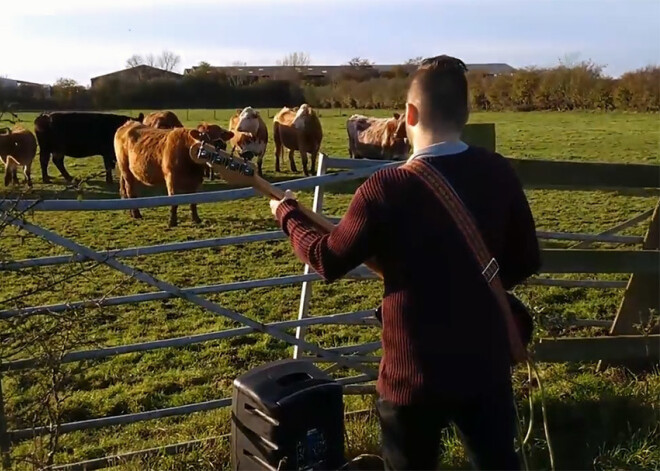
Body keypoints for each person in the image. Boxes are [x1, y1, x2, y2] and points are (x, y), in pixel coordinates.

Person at [269, 55, 541, 470]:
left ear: (409, 113)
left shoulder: (385, 187)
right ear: (466, 113)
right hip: (484, 365)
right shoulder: (498, 172)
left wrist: (287, 214)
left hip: (411, 375)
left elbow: (327, 258)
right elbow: (525, 261)